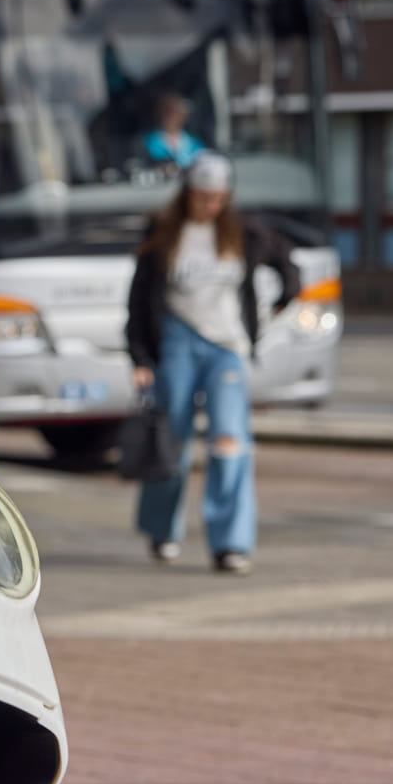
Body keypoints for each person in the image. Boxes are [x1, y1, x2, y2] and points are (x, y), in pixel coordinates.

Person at [123, 151, 298, 574]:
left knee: (228, 440)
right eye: (203, 197)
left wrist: (282, 301)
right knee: (174, 437)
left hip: (227, 346)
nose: (210, 206)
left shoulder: (242, 232)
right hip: (178, 340)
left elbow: (286, 263)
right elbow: (139, 300)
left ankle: (230, 543)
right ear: (188, 195)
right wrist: (141, 357)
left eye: (218, 198)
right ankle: (162, 529)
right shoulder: (164, 234)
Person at [146, 93, 204, 169]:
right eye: (167, 112)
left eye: (174, 113)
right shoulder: (147, 141)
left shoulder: (194, 143)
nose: (170, 118)